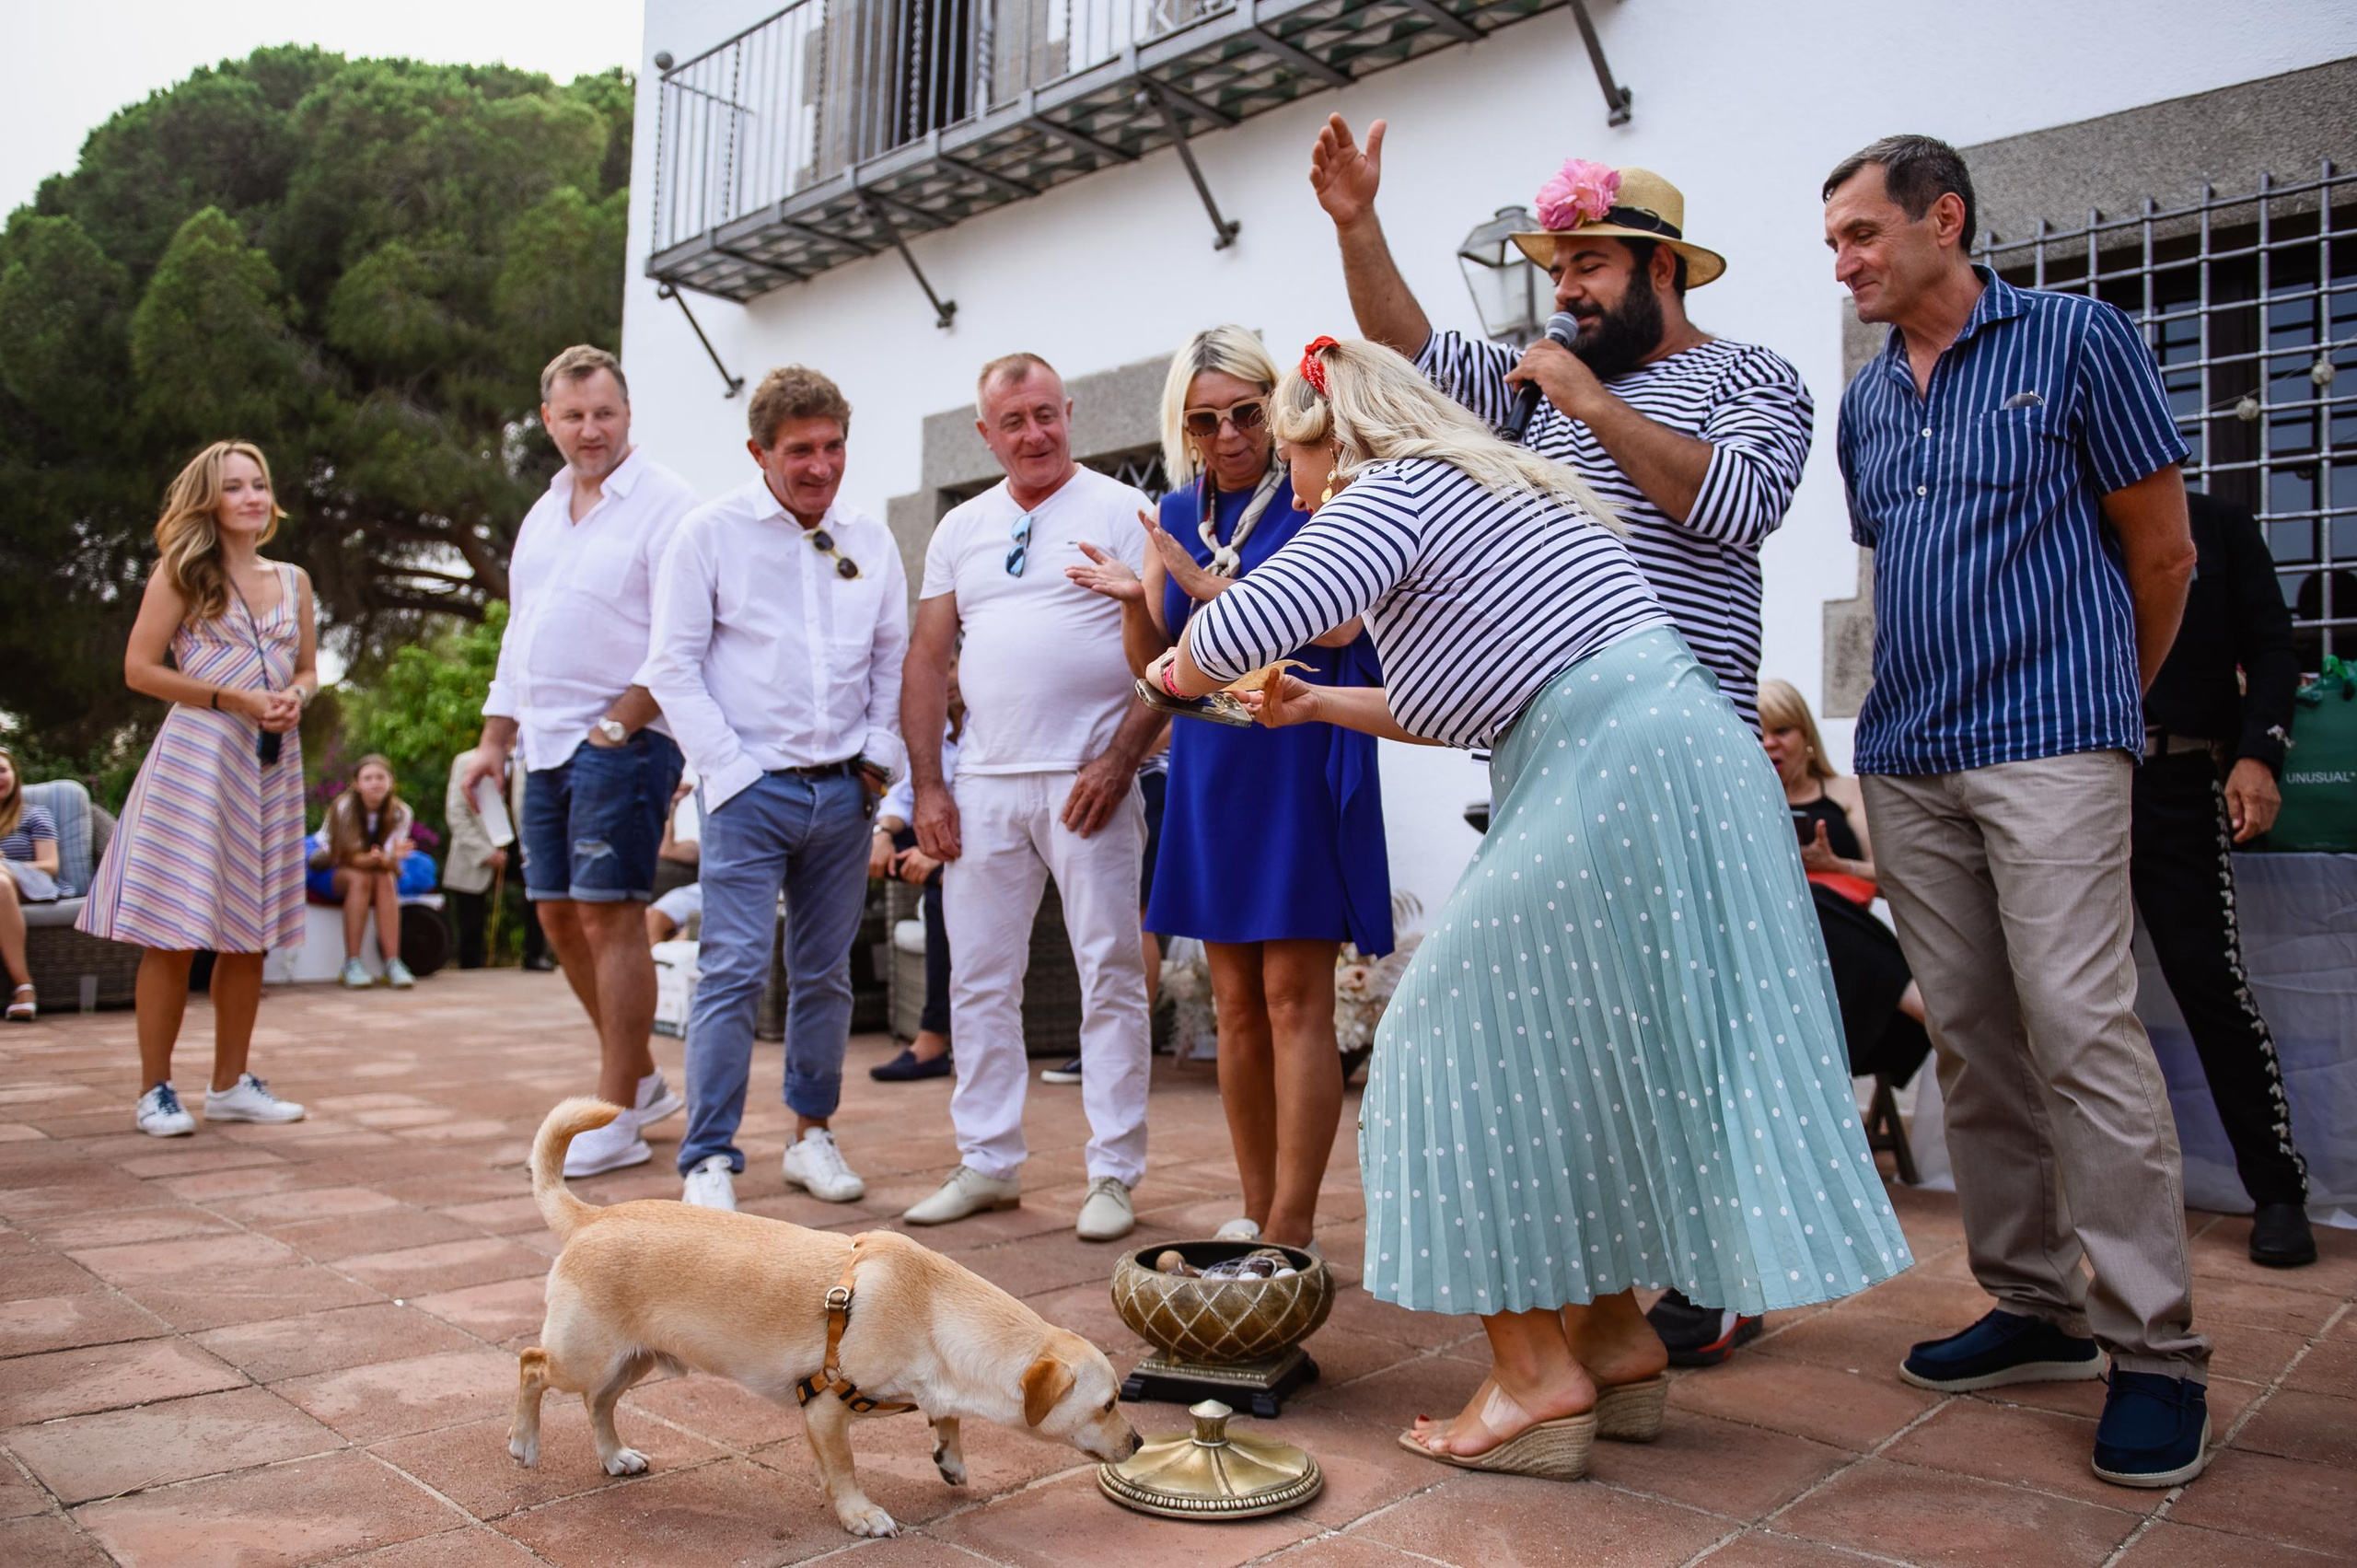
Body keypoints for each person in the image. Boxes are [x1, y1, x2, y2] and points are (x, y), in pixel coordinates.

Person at [1150, 335, 1907, 1478]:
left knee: (1431, 1042)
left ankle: (1534, 1376)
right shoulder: (1499, 483)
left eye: (1295, 469)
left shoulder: (1390, 486)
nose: (1294, 499)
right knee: (1574, 1054)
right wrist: (1315, 706)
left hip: (1612, 765)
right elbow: (1473, 704)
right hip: (1660, 751)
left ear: (1328, 437)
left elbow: (1234, 630)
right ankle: (1611, 1339)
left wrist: (1165, 677)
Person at [1827, 134, 2207, 1488]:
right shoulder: (1867, 401)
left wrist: (2101, 704)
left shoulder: (2078, 340)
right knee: (1977, 1038)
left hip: (2052, 742)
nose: (1845, 262)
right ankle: (2036, 1302)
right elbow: (1896, 565)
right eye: (1834, 242)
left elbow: (2163, 550)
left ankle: (2155, 1346)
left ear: (1944, 218)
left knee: (2082, 1026)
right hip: (1910, 751)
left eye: (1862, 234)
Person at [1311, 116, 1812, 728]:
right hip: (1545, 737)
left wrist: (1594, 404)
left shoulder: (1748, 372)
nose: (1564, 291)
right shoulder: (1534, 380)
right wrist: (1356, 222)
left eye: (1589, 267)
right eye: (1557, 274)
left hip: (1684, 731)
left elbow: (1742, 505)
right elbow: (1412, 355)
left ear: (1660, 269)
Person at [1066, 323, 1393, 1250]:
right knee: (1235, 1005)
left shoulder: (1316, 488)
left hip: (1297, 749)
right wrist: (1136, 602)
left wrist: (1202, 584)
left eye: (1245, 413)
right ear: (1184, 427)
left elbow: (1333, 628)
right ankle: (1256, 1203)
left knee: (1294, 999)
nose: (1229, 435)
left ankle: (1292, 1223)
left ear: (1273, 404)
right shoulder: (1175, 510)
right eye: (1204, 421)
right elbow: (1159, 666)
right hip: (1212, 764)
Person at [900, 352, 1165, 1243]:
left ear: (1069, 413)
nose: (1033, 433)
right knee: (977, 977)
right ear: (986, 434)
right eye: (1013, 421)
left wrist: (1119, 761)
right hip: (982, 782)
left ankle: (1113, 1171)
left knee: (1110, 970)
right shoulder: (960, 526)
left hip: (1090, 776)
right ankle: (987, 1161)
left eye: (1046, 414)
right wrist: (929, 785)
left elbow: (1167, 646)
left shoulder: (1122, 509)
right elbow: (926, 660)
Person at [643, 365, 908, 1214]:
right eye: (800, 450)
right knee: (732, 971)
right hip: (748, 792)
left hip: (845, 793)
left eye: (833, 446)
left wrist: (876, 762)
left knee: (825, 975)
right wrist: (731, 772)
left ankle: (810, 1135)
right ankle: (708, 1157)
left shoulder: (870, 538)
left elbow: (893, 660)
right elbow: (671, 666)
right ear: (759, 452)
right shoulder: (708, 534)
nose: (820, 465)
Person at [464, 345, 695, 1178]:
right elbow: (520, 635)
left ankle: (617, 1115)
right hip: (544, 743)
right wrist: (494, 738)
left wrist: (620, 724)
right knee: (558, 916)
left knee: (611, 917)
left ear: (627, 413)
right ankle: (641, 1081)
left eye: (604, 413)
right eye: (573, 416)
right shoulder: (543, 513)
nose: (590, 429)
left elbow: (683, 633)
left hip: (622, 741)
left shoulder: (669, 504)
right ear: (548, 421)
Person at [78, 440, 315, 1135]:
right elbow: (139, 669)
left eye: (259, 484)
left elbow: (307, 668)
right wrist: (235, 698)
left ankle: (230, 1084)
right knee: (174, 930)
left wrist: (296, 696)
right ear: (208, 500)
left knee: (250, 934)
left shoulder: (295, 580)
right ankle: (154, 1090)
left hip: (269, 764)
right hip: (197, 764)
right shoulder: (181, 572)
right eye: (234, 486)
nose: (252, 497)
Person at [2135, 491, 2311, 1268]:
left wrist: (2258, 754)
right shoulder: (2056, 520)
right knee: (2063, 992)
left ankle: (2277, 1189)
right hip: (2067, 777)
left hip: (2177, 778)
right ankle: (2084, 1195)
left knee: (2209, 979)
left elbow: (2273, 648)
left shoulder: (2216, 523)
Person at [868, 669, 965, 1084]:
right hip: (947, 845)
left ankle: (933, 1039)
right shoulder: (933, 731)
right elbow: (906, 794)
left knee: (944, 894)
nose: (946, 676)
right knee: (857, 848)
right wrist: (883, 834)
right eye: (937, 667)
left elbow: (987, 805)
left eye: (953, 663)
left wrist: (940, 855)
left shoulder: (989, 724)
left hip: (988, 842)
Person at [308, 754, 417, 990]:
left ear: (391, 781)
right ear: (357, 784)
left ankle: (393, 962)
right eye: (368, 778)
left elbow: (388, 862)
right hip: (331, 868)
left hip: (374, 869)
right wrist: (381, 858)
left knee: (385, 878)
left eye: (380, 777)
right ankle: (352, 962)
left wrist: (390, 858)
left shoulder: (401, 812)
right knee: (361, 878)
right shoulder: (344, 807)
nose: (375, 783)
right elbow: (348, 857)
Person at [0, 747, 63, 1022]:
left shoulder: (35, 815)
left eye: (2, 770)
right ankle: (23, 990)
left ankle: (24, 987)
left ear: (15, 775)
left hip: (31, 883)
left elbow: (50, 865)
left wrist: (9, 866)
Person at [443, 749, 519, 970]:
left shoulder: (530, 757)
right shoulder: (467, 760)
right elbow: (456, 813)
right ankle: (471, 969)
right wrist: (485, 852)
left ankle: (534, 956)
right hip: (476, 851)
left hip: (519, 847)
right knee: (470, 924)